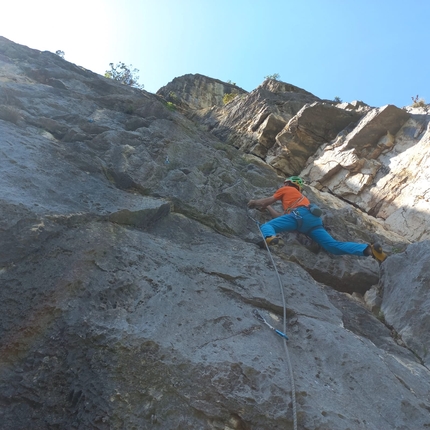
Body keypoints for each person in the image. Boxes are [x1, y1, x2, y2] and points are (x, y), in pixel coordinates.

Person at [247, 176, 387, 263]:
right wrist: (270, 208)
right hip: (313, 221)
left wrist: (254, 202)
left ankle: (270, 237)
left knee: (267, 227)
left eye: (284, 184)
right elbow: (281, 218)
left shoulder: (287, 189)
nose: (283, 186)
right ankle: (370, 251)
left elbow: (267, 201)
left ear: (288, 184)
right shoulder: (301, 199)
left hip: (298, 217)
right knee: (333, 246)